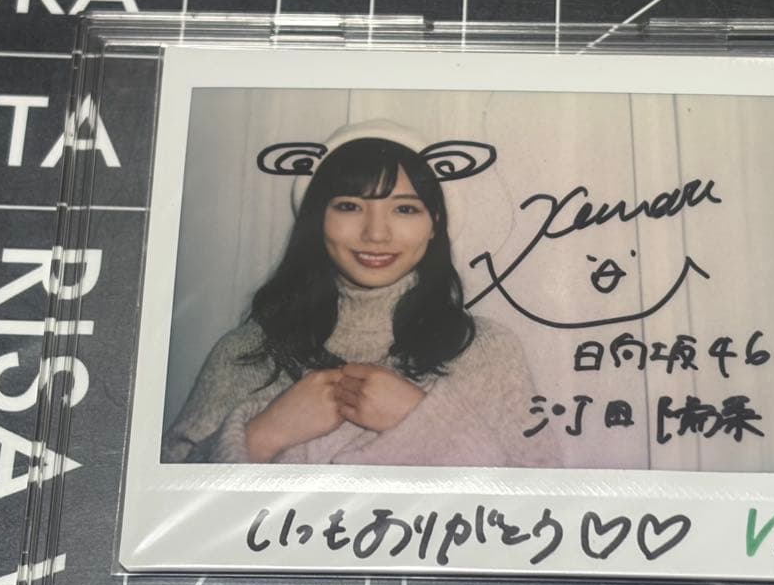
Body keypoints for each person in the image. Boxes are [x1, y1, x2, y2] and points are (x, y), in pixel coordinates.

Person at [162, 121, 558, 467]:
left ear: (434, 224)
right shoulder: (244, 351)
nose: (376, 233)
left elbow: (538, 505)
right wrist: (263, 435)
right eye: (350, 206)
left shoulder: (487, 352)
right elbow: (164, 504)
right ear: (318, 220)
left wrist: (423, 422)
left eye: (405, 209)